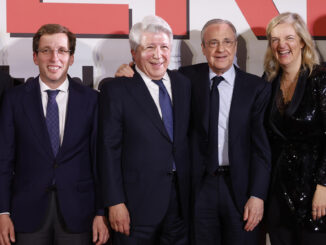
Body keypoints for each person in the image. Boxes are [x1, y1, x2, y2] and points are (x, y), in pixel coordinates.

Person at [114, 18, 271, 245]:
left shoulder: (257, 87)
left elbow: (262, 148)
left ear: (235, 46)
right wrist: (129, 69)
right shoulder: (185, 78)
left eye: (227, 42)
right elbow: (151, 72)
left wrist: (257, 195)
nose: (220, 49)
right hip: (198, 189)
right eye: (213, 43)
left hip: (241, 190)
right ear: (203, 48)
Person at [0, 24, 109, 245]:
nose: (54, 57)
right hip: (26, 214)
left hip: (80, 212)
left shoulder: (92, 100)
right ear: (34, 56)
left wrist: (100, 212)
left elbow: (100, 160)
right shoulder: (14, 100)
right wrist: (2, 213)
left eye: (61, 50)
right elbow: (3, 161)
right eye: (46, 50)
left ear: (71, 57)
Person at [98, 15, 191, 245]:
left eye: (164, 47)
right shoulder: (117, 89)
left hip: (180, 205)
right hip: (134, 208)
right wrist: (115, 202)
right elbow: (108, 150)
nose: (158, 55)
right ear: (134, 52)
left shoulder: (184, 84)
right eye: (150, 47)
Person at [264, 12, 326, 245]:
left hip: (315, 193)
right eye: (275, 39)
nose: (282, 45)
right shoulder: (268, 82)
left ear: (302, 41)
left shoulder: (320, 79)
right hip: (278, 193)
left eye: (289, 38)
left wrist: (324, 186)